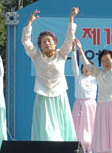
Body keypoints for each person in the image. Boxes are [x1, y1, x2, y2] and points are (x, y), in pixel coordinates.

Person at [22, 8, 79, 141]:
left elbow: (69, 39)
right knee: (46, 128)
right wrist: (29, 23)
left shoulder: (61, 54)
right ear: (40, 46)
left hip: (59, 95)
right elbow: (26, 43)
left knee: (61, 126)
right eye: (44, 41)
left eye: (49, 41)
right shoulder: (36, 56)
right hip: (43, 96)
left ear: (55, 43)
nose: (47, 43)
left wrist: (71, 19)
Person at [75, 33, 112, 153]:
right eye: (103, 60)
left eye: (108, 59)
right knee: (102, 131)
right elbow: (87, 64)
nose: (105, 62)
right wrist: (81, 50)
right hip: (102, 105)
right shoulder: (98, 73)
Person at [71, 40, 97, 153]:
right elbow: (74, 64)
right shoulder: (78, 77)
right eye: (84, 67)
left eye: (88, 67)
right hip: (79, 105)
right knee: (79, 127)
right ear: (81, 68)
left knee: (91, 126)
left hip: (91, 105)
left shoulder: (95, 78)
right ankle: (80, 149)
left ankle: (90, 149)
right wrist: (73, 50)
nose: (86, 69)